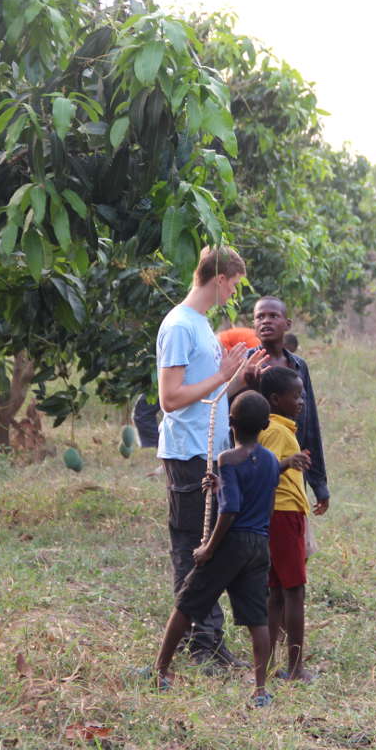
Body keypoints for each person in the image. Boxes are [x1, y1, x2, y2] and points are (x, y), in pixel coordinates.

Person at [156, 245, 265, 668]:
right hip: (187, 452)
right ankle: (203, 642)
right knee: (192, 547)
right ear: (220, 279)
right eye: (233, 285)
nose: (232, 294)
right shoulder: (180, 326)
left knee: (207, 544)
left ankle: (204, 639)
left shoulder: (199, 325)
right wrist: (222, 375)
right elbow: (170, 398)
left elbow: (210, 394)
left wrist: (235, 378)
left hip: (209, 451)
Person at [150, 391, 288, 707]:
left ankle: (160, 671)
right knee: (257, 619)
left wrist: (209, 548)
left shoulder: (226, 459)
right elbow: (260, 498)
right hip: (259, 544)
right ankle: (260, 689)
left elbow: (230, 510)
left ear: (231, 423)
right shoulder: (270, 461)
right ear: (266, 425)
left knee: (187, 602)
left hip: (231, 542)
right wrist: (220, 485)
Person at [254, 366, 318, 682]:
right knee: (294, 591)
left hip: (275, 515)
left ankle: (266, 663)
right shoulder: (278, 432)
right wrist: (287, 463)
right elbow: (262, 470)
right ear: (276, 399)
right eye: (296, 395)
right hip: (284, 513)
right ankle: (295, 668)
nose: (302, 401)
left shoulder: (275, 428)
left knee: (276, 592)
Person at [245, 297, 330, 514]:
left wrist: (319, 483)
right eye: (260, 317)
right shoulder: (247, 365)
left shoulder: (298, 366)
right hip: (255, 468)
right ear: (254, 325)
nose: (266, 321)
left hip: (293, 467)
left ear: (288, 324)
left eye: (273, 316)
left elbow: (309, 423)